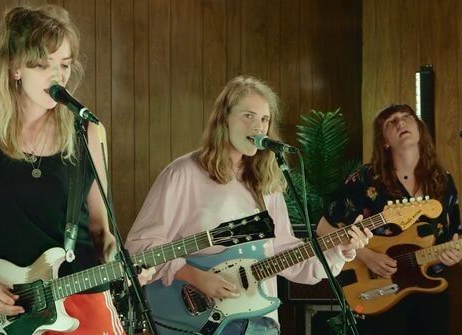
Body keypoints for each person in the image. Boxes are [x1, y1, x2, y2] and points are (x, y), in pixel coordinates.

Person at [0, 5, 128, 334]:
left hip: (80, 297)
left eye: (64, 64)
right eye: (43, 65)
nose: (57, 76)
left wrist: (118, 255)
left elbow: (101, 226)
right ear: (16, 69)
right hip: (9, 304)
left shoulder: (87, 131)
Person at [125, 75, 372, 334]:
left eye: (264, 119)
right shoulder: (184, 173)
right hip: (195, 321)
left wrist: (338, 249)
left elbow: (284, 252)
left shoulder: (267, 182)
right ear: (224, 119)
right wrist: (195, 276)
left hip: (259, 323)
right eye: (248, 116)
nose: (258, 127)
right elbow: (140, 248)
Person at [317, 104, 462, 335]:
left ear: (419, 129)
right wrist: (367, 255)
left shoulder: (442, 181)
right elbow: (324, 227)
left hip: (429, 288)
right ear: (384, 140)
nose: (400, 123)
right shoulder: (365, 178)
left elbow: (452, 236)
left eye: (406, 117)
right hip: (379, 289)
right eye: (391, 122)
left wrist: (453, 255)